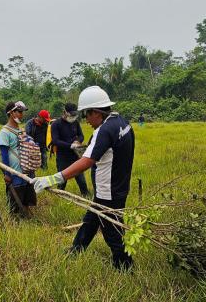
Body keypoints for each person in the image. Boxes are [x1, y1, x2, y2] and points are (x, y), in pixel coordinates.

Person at [33, 86, 135, 270]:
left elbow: (87, 161)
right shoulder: (121, 122)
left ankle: (124, 265)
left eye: (86, 114)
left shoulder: (104, 130)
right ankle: (76, 249)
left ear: (96, 112)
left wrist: (53, 178)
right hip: (119, 185)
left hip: (108, 189)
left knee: (111, 230)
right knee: (91, 220)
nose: (85, 120)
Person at [0, 101, 37, 217]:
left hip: (26, 171)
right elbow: (4, 155)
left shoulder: (21, 130)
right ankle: (15, 223)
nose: (21, 114)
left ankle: (27, 219)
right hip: (14, 173)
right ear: (11, 113)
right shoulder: (4, 133)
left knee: (27, 199)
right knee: (15, 204)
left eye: (22, 112)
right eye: (19, 112)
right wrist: (7, 173)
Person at [50, 103, 90, 196]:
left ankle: (86, 196)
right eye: (71, 115)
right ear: (65, 112)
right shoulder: (56, 124)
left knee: (81, 180)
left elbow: (81, 135)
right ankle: (59, 197)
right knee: (62, 180)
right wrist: (69, 145)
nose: (73, 117)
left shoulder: (75, 122)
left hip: (75, 156)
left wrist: (77, 142)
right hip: (63, 157)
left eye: (74, 115)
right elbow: (55, 141)